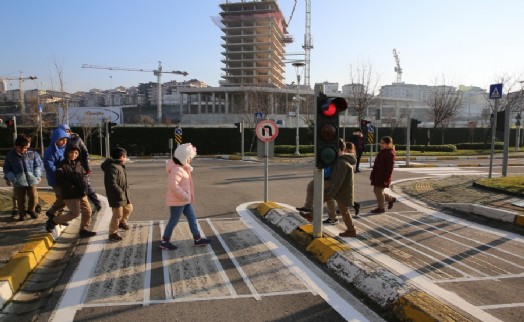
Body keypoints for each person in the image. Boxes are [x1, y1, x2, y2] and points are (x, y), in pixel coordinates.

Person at [159, 143, 211, 250]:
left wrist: (186, 197)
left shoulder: (182, 168)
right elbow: (173, 186)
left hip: (185, 200)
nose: (190, 160)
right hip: (178, 201)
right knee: (174, 220)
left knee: (192, 218)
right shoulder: (177, 170)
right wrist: (184, 196)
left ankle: (197, 239)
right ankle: (164, 241)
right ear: (183, 158)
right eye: (189, 158)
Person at [45, 142, 96, 238]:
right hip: (70, 193)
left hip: (81, 192)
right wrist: (70, 185)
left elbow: (84, 176)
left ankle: (83, 229)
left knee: (87, 210)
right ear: (67, 153)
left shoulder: (79, 164)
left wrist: (85, 187)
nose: (73, 155)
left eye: (76, 153)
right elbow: (59, 179)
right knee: (75, 213)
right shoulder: (62, 165)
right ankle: (54, 220)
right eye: (71, 153)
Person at [59, 124, 102, 212]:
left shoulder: (76, 139)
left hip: (79, 166)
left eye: (67, 131)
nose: (66, 133)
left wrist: (87, 167)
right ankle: (79, 208)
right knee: (73, 188)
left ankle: (97, 204)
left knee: (87, 185)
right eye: (63, 132)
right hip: (67, 167)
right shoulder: (60, 141)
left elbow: (85, 153)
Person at [3, 135, 43, 221]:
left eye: (25, 148)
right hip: (18, 181)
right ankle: (22, 214)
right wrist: (10, 178)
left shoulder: (33, 153)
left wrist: (37, 176)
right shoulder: (10, 155)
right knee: (20, 199)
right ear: (16, 146)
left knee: (33, 196)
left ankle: (31, 210)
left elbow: (38, 165)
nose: (23, 150)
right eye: (21, 148)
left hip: (31, 179)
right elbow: (6, 169)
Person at [324, 139, 358, 237]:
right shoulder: (340, 160)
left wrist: (331, 193)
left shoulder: (342, 163)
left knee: (344, 211)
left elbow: (339, 181)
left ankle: (351, 230)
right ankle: (351, 230)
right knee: (344, 211)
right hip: (340, 191)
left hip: (342, 192)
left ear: (338, 149)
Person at [101, 147, 133, 241]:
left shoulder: (119, 165)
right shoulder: (112, 167)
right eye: (125, 156)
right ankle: (112, 233)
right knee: (117, 214)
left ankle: (122, 223)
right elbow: (112, 183)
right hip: (116, 195)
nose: (126, 157)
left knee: (129, 208)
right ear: (121, 156)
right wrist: (120, 192)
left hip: (124, 193)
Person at [43, 127, 70, 223]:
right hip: (56, 179)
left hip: (64, 178)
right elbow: (49, 166)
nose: (64, 141)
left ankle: (59, 217)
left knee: (65, 198)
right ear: (55, 139)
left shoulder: (65, 149)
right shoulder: (50, 151)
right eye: (61, 139)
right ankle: (52, 212)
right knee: (62, 198)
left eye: (65, 139)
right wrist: (60, 172)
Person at [369, 136, 397, 214]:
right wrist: (372, 175)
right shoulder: (382, 152)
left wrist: (386, 179)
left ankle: (381, 208)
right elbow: (376, 165)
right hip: (377, 175)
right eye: (380, 143)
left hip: (383, 177)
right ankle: (390, 199)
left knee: (378, 191)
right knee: (376, 191)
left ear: (389, 144)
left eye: (383, 143)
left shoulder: (390, 154)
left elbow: (389, 169)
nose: (381, 144)